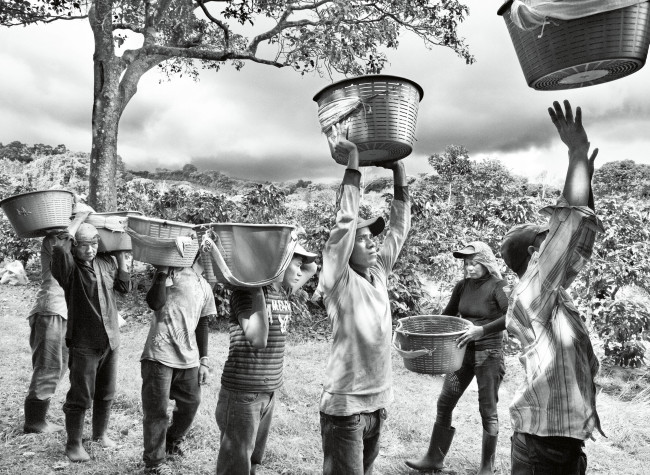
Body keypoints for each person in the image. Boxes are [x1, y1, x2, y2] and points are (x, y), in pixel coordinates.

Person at [501, 100, 604, 474]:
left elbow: (580, 238)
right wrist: (575, 154)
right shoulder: (533, 294)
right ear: (534, 252)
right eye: (547, 237)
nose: (555, 239)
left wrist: (584, 177)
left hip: (560, 444)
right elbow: (572, 229)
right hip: (541, 449)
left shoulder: (553, 295)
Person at [318, 126, 411, 475]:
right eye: (363, 239)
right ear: (346, 250)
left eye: (373, 236)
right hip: (346, 409)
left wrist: (398, 171)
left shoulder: (379, 273)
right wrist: (354, 161)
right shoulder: (338, 280)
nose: (372, 242)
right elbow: (344, 225)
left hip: (377, 403)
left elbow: (399, 230)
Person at [215, 242, 318, 475]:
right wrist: (255, 285)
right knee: (235, 463)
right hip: (243, 392)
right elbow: (258, 339)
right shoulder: (245, 293)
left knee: (252, 459)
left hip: (268, 391)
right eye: (297, 265)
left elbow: (313, 267)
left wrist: (290, 246)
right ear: (279, 263)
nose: (301, 271)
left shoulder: (281, 289)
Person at [406, 241, 509, 474]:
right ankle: (434, 458)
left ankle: (486, 468)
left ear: (486, 262)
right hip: (460, 353)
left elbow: (512, 316)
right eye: (466, 263)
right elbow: (448, 316)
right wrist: (422, 330)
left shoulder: (499, 286)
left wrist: (480, 330)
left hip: (488, 354)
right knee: (445, 402)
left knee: (487, 410)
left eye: (474, 263)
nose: (469, 268)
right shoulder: (462, 286)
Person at [51, 213, 131, 463]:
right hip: (84, 342)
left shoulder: (105, 263)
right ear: (75, 246)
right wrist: (79, 221)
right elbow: (59, 247)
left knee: (106, 391)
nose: (89, 249)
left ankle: (100, 434)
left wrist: (120, 257)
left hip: (110, 339)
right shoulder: (68, 268)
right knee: (80, 395)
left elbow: (124, 289)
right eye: (83, 245)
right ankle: (73, 444)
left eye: (94, 244)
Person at [140, 254, 217, 475]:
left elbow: (202, 324)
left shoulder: (205, 286)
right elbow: (154, 303)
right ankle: (154, 463)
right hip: (159, 353)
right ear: (201, 254)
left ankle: (171, 442)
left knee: (191, 403)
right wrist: (162, 271)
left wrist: (204, 360)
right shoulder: (174, 272)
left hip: (189, 358)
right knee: (157, 412)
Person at [23, 232, 68, 433]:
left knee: (59, 366)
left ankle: (39, 418)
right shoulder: (54, 238)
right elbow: (61, 245)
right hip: (50, 308)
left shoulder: (73, 240)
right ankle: (34, 422)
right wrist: (80, 218)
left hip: (62, 310)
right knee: (47, 366)